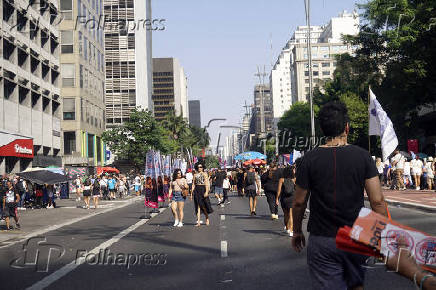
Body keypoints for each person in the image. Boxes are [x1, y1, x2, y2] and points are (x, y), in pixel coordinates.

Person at [292, 101, 389, 290]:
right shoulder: (363, 157)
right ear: (347, 127)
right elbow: (377, 201)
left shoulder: (308, 160)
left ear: (322, 129)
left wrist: (297, 231)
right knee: (356, 285)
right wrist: (383, 236)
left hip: (322, 238)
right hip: (356, 237)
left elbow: (298, 202)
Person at [276, 166, 295, 237]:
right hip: (292, 198)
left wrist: (277, 199)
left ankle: (287, 228)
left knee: (286, 214)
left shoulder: (281, 179)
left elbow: (279, 191)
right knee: (291, 215)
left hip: (284, 199)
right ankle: (291, 230)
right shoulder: (294, 179)